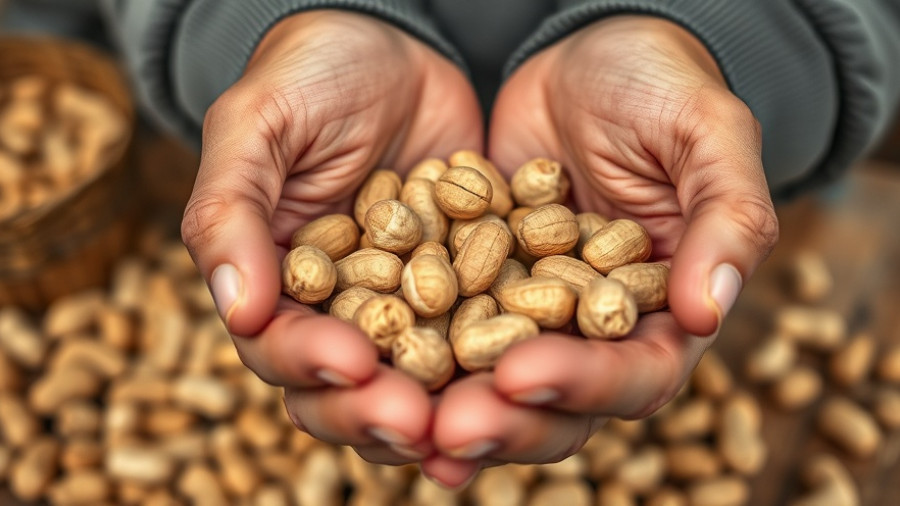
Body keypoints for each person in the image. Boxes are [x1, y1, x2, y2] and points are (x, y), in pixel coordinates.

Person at [85, 0, 900, 488]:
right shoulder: (414, 244)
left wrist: (735, 38)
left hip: (640, 163)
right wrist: (250, 23)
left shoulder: (508, 246)